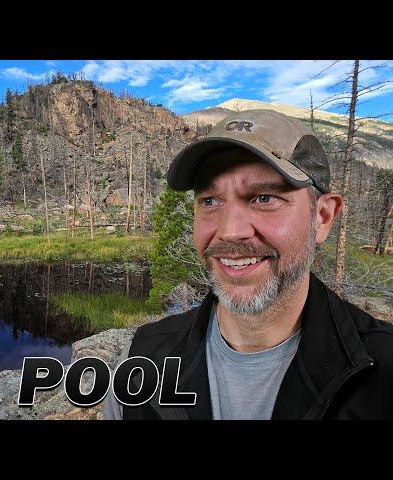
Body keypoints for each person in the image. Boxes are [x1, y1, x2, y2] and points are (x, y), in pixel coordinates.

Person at [103, 109, 393, 420]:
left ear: (322, 217)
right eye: (210, 201)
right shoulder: (140, 361)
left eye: (264, 198)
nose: (230, 231)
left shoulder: (383, 374)